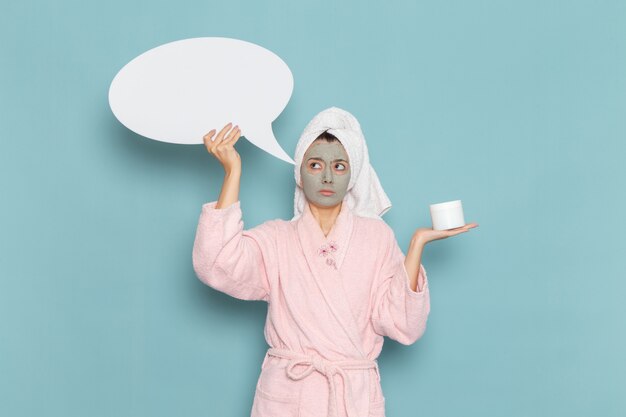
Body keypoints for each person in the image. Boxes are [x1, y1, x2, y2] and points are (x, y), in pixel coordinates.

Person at [193, 107, 478, 417]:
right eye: (315, 165)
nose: (327, 176)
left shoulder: (377, 237)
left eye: (340, 166)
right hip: (290, 394)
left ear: (353, 175)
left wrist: (416, 245)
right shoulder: (276, 238)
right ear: (299, 174)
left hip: (351, 396)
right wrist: (233, 171)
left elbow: (403, 325)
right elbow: (218, 263)